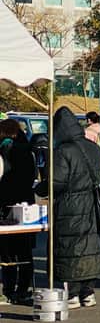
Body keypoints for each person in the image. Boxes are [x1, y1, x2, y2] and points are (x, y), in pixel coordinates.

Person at [41, 108, 100, 308]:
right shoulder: (92, 147)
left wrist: (40, 188)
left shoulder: (62, 151)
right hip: (91, 202)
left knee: (70, 247)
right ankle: (89, 292)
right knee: (89, 246)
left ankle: (73, 294)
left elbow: (56, 182)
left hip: (69, 204)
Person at [0, 119, 37, 305]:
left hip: (5, 202)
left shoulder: (4, 149)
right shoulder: (27, 150)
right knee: (24, 251)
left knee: (6, 250)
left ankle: (8, 289)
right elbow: (33, 176)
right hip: (26, 203)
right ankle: (23, 288)